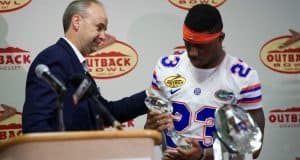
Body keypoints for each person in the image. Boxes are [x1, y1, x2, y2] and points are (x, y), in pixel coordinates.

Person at [144, 4, 265, 160]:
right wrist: (151, 129)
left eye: (201, 47)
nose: (193, 53)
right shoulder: (165, 68)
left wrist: (203, 155)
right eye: (188, 44)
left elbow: (252, 151)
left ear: (220, 39)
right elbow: (153, 135)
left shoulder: (243, 78)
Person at [22, 0, 151, 133]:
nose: (103, 36)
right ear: (77, 22)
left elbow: (106, 111)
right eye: (99, 27)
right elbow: (37, 125)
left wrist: (151, 95)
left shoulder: (75, 63)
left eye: (104, 30)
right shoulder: (54, 59)